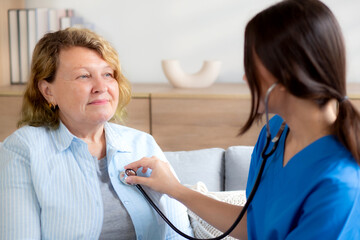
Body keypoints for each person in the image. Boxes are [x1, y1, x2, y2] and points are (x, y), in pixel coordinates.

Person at [125, 0, 360, 239]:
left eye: (252, 64)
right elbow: (253, 225)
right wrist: (173, 188)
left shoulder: (339, 184)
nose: (245, 77)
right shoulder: (275, 133)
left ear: (287, 72)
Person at [0, 28, 193, 239]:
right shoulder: (22, 150)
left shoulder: (141, 144)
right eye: (84, 76)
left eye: (108, 74)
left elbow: (180, 234)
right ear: (48, 91)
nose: (101, 87)